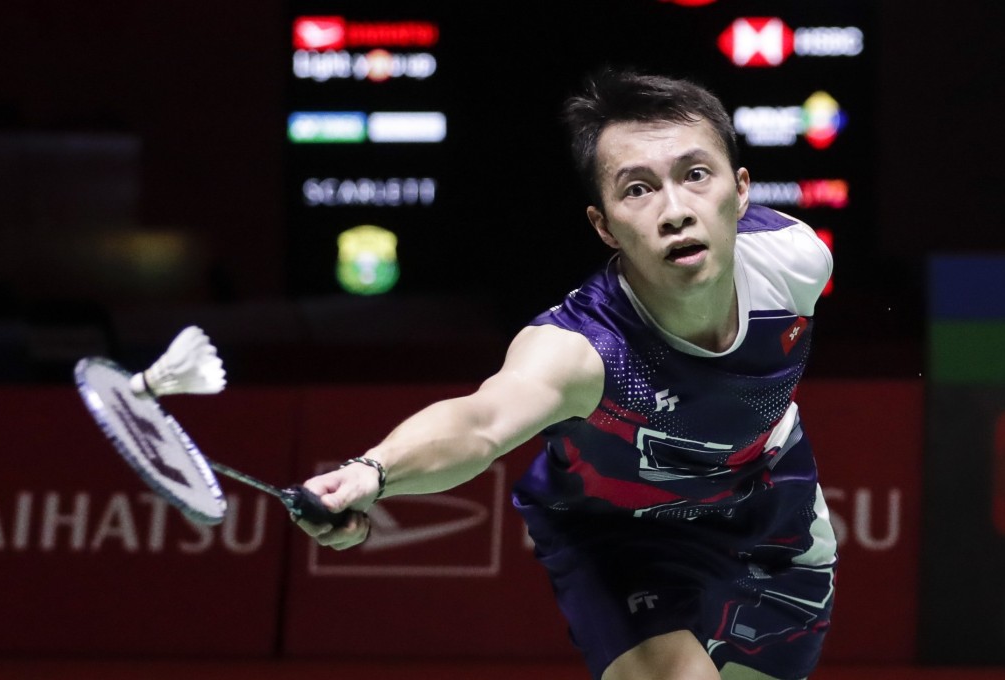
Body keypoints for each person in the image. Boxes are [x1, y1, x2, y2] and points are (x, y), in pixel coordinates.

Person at [295, 68, 837, 680]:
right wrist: (375, 470)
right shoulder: (585, 348)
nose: (675, 211)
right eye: (638, 189)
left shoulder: (796, 261)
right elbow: (481, 422)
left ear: (740, 191)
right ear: (603, 225)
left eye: (694, 175)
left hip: (771, 513)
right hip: (623, 537)